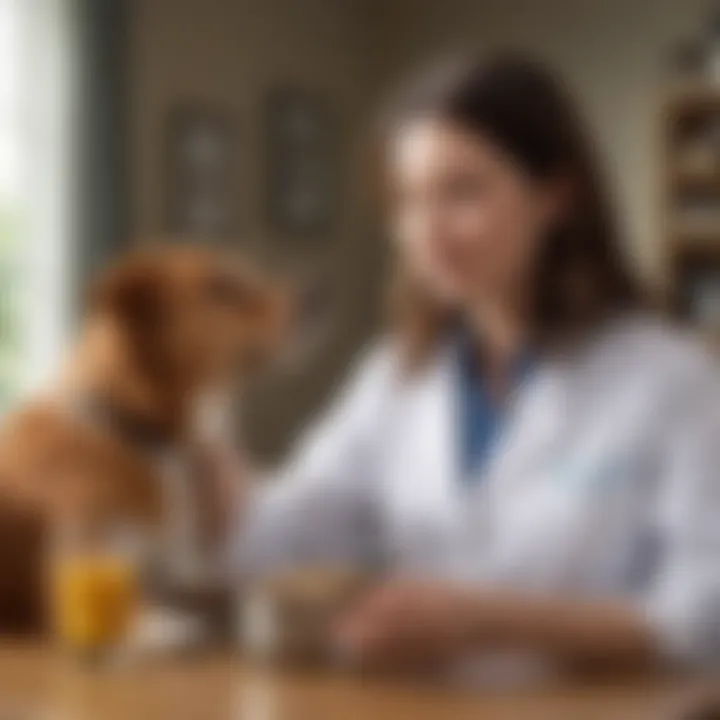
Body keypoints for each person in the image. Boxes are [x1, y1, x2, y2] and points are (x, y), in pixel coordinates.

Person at [225, 54, 720, 672]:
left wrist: (487, 620)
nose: (426, 233)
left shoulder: (672, 380)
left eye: (461, 193)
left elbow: (705, 614)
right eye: (408, 201)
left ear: (555, 196)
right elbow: (288, 536)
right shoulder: (396, 375)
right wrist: (195, 470)